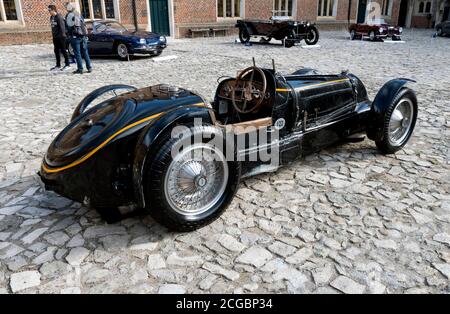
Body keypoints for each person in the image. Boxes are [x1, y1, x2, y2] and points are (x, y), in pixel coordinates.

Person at [65, 3, 92, 74]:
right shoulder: (79, 14)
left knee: (77, 53)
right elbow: (84, 24)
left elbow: (68, 27)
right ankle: (89, 67)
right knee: (85, 52)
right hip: (83, 36)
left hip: (75, 37)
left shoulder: (69, 15)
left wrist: (68, 35)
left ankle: (80, 69)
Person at [48, 5, 70, 71]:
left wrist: (62, 37)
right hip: (55, 37)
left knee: (63, 50)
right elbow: (53, 27)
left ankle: (67, 64)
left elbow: (62, 28)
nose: (49, 12)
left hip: (61, 37)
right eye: (48, 10)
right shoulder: (51, 17)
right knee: (56, 51)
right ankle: (58, 65)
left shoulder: (59, 17)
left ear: (53, 10)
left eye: (49, 10)